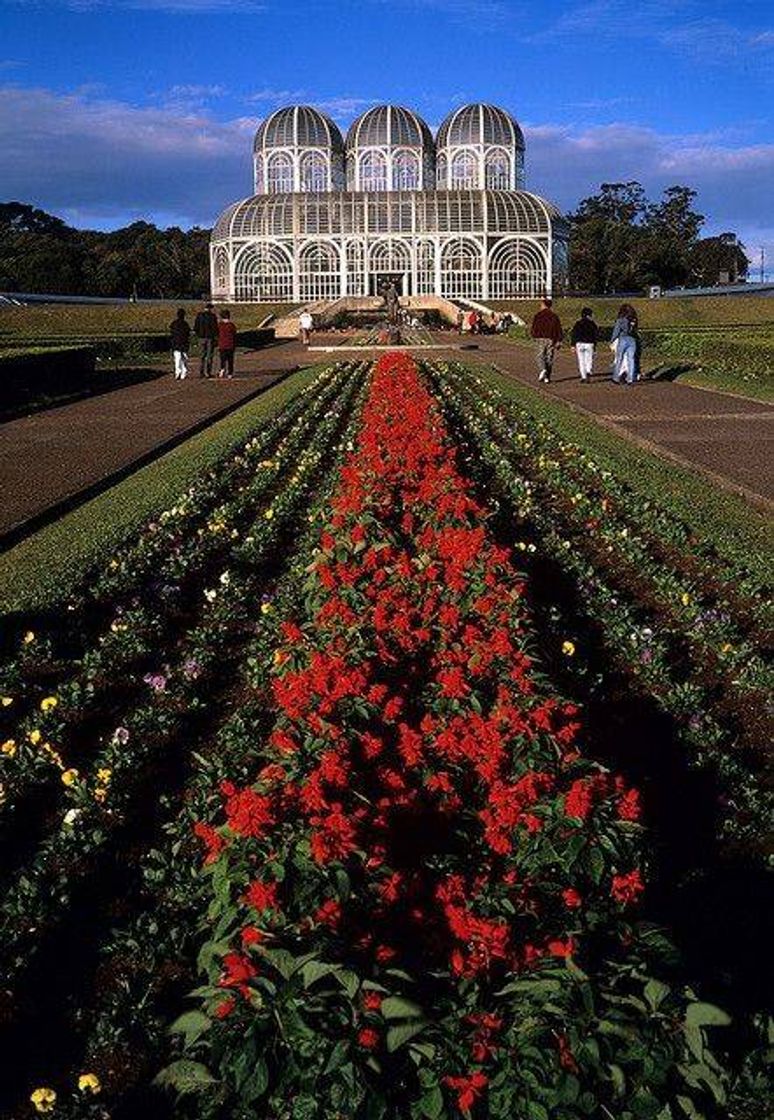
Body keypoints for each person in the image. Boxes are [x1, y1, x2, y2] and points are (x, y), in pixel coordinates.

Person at [530, 297, 563, 384]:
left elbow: (534, 327)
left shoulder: (538, 315)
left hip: (540, 338)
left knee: (540, 356)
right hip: (551, 339)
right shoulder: (554, 316)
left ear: (544, 305)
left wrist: (533, 335)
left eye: (541, 304)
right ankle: (547, 377)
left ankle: (543, 369)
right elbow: (558, 329)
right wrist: (559, 340)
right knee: (549, 357)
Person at [570, 306, 598, 382]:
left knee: (581, 360)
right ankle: (588, 371)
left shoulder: (578, 323)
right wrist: (595, 345)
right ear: (588, 315)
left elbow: (574, 334)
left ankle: (583, 376)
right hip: (589, 343)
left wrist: (572, 345)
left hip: (579, 343)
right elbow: (595, 335)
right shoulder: (593, 324)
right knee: (589, 359)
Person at [611, 305, 638, 384]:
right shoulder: (634, 320)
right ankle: (630, 378)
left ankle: (616, 378)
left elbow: (616, 331)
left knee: (619, 358)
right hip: (632, 340)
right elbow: (635, 330)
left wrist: (612, 340)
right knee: (631, 359)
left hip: (623, 338)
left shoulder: (621, 320)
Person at [194, 301, 219, 379]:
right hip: (210, 338)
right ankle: (208, 372)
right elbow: (215, 329)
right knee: (209, 356)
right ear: (210, 309)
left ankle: (201, 372)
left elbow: (196, 327)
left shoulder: (199, 316)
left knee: (202, 356)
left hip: (201, 337)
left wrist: (198, 334)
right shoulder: (213, 316)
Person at [169, 308, 191, 380]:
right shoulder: (185, 324)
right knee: (184, 358)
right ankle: (183, 372)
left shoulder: (174, 323)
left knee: (177, 359)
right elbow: (188, 334)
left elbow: (171, 333)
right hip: (183, 343)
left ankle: (178, 372)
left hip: (176, 343)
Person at [217, 309, 237, 379]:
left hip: (222, 344)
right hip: (230, 345)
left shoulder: (219, 325)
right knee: (230, 360)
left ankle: (222, 369)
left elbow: (217, 334)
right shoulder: (231, 325)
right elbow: (234, 334)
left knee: (222, 359)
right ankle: (230, 373)